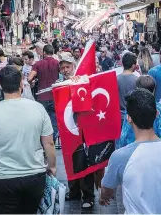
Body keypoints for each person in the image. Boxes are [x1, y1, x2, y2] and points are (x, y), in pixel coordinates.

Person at [0, 66, 56, 214]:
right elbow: (49, 143)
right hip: (34, 176)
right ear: (21, 83)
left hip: (2, 178)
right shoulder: (38, 109)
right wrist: (52, 166)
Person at [100, 88, 161, 214]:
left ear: (129, 118)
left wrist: (104, 197)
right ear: (156, 114)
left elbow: (107, 189)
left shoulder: (120, 156)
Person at [56, 54, 96, 209]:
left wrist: (78, 84)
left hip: (83, 129)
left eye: (68, 66)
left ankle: (88, 195)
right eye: (63, 67)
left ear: (74, 66)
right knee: (70, 161)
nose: (65, 70)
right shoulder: (60, 83)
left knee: (84, 162)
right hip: (67, 129)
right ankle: (73, 191)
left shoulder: (83, 80)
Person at [117, 75, 161, 148]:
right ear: (153, 90)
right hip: (153, 146)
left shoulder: (132, 107)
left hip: (133, 146)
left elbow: (125, 132)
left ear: (137, 89)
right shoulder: (159, 108)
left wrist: (120, 147)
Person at [28, 44, 60, 142]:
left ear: (44, 53)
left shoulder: (38, 64)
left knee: (42, 122)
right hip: (55, 96)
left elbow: (29, 78)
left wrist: (32, 83)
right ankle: (52, 141)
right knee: (54, 120)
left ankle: (43, 143)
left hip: (42, 97)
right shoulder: (57, 63)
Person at [117, 52, 138, 123]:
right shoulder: (137, 80)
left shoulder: (116, 79)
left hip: (119, 116)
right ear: (133, 66)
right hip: (133, 116)